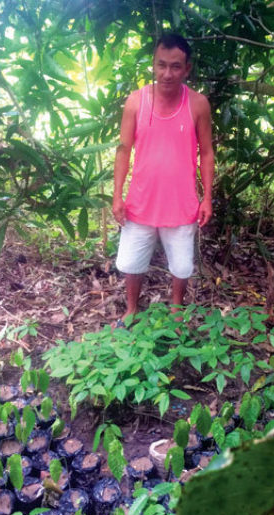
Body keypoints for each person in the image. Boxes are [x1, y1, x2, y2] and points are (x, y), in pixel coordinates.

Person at [112, 32, 214, 324]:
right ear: (153, 65)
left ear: (187, 68)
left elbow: (206, 153)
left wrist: (207, 197)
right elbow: (123, 149)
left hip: (182, 203)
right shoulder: (135, 101)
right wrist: (117, 195)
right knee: (132, 262)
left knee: (181, 266)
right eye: (161, 65)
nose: (167, 73)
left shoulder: (198, 104)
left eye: (175, 66)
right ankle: (131, 310)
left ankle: (176, 309)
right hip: (141, 201)